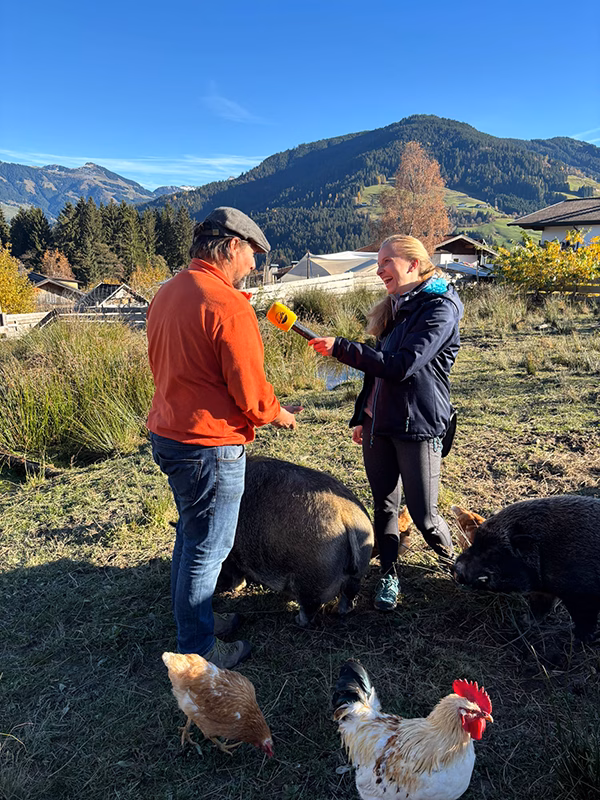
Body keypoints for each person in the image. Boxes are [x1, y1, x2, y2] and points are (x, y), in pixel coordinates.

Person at [147, 207, 300, 668]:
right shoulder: (227, 305)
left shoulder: (168, 291)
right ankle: (198, 649)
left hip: (169, 434)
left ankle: (196, 622)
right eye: (253, 254)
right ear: (232, 246)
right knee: (207, 548)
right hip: (208, 446)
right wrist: (278, 415)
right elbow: (251, 393)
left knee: (191, 536)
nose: (253, 264)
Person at [309, 234, 463, 612]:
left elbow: (400, 366)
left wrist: (342, 348)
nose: (379, 271)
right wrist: (363, 416)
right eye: (378, 264)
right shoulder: (396, 307)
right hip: (378, 427)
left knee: (425, 517)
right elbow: (375, 374)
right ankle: (389, 575)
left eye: (386, 262)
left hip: (417, 427)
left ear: (413, 263)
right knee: (385, 508)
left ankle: (460, 569)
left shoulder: (440, 308)